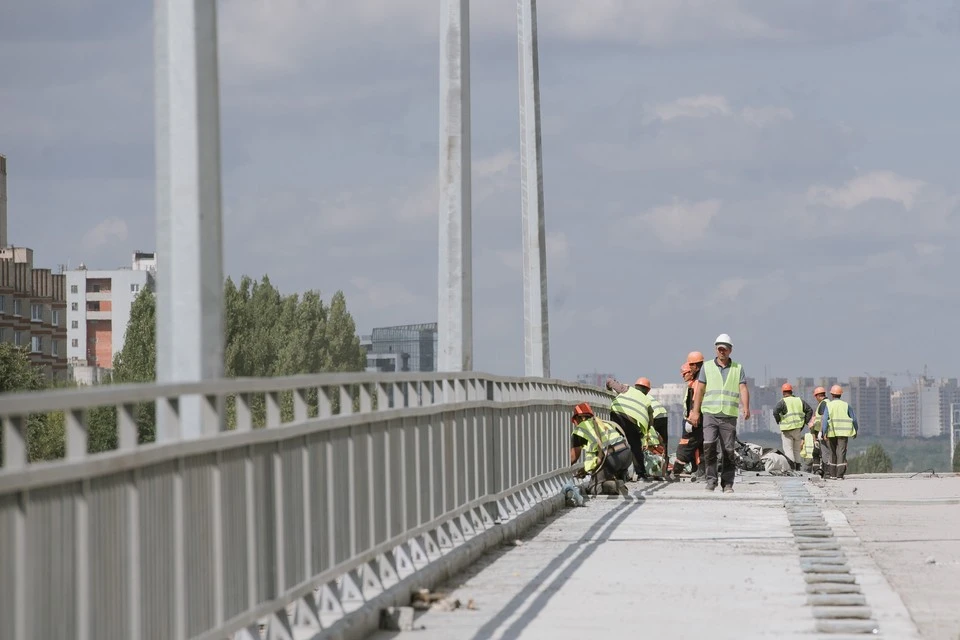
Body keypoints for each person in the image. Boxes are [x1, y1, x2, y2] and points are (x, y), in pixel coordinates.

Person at [689, 334, 751, 493]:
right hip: (710, 413)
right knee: (709, 447)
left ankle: (727, 484)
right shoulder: (707, 367)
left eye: (725, 349)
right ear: (716, 350)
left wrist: (746, 407)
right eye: (719, 349)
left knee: (728, 450)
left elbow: (743, 388)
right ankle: (711, 481)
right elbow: (700, 390)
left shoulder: (738, 368)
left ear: (730, 350)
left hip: (728, 415)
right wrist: (695, 411)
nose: (722, 352)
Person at [569, 402, 633, 495]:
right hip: (627, 454)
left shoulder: (580, 430)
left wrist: (563, 467)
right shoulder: (603, 423)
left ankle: (615, 486)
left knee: (594, 488)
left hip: (613, 458)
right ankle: (619, 479)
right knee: (607, 472)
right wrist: (586, 469)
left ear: (578, 418)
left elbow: (574, 457)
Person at [606, 377, 656, 480]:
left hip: (617, 414)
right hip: (632, 423)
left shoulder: (627, 388)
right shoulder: (646, 400)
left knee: (616, 443)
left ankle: (615, 472)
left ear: (635, 386)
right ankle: (641, 474)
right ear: (648, 390)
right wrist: (643, 432)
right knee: (635, 448)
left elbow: (610, 381)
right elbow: (650, 420)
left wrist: (608, 390)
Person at [671, 352, 705, 481]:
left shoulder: (697, 383)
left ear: (695, 366)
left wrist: (692, 417)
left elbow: (695, 401)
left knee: (685, 445)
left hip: (695, 420)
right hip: (694, 419)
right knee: (699, 446)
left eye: (687, 371)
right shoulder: (694, 383)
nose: (684, 375)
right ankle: (700, 471)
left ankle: (675, 472)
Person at [820, 385, 858, 479]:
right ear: (841, 394)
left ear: (832, 394)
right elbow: (854, 419)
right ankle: (840, 474)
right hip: (843, 433)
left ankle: (833, 474)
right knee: (841, 452)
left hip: (831, 433)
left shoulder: (829, 405)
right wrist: (855, 430)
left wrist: (824, 432)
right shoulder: (846, 405)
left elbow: (825, 420)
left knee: (832, 453)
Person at [772, 383, 812, 471]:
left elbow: (775, 412)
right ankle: (798, 467)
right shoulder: (799, 400)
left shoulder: (782, 402)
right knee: (797, 449)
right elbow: (809, 410)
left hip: (787, 429)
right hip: (798, 428)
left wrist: (778, 420)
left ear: (783, 392)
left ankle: (791, 468)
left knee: (788, 449)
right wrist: (805, 422)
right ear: (791, 391)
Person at [637, 377, 669, 471]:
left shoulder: (638, 395)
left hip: (654, 416)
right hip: (662, 414)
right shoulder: (646, 395)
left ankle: (649, 465)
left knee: (649, 440)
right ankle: (664, 468)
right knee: (663, 442)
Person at [807, 386, 828, 476]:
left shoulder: (823, 404)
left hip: (821, 432)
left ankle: (821, 472)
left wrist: (819, 433)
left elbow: (823, 419)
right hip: (822, 432)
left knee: (820, 453)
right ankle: (822, 471)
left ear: (818, 396)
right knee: (821, 452)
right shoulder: (826, 403)